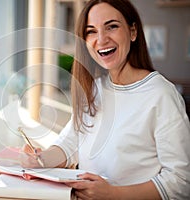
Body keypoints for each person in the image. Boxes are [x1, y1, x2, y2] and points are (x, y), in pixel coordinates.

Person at [20, 0, 190, 199]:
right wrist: (38, 160)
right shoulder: (94, 89)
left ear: (133, 32)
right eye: (91, 31)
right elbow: (70, 144)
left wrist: (113, 194)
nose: (101, 39)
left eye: (112, 27)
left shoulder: (161, 95)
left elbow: (180, 182)